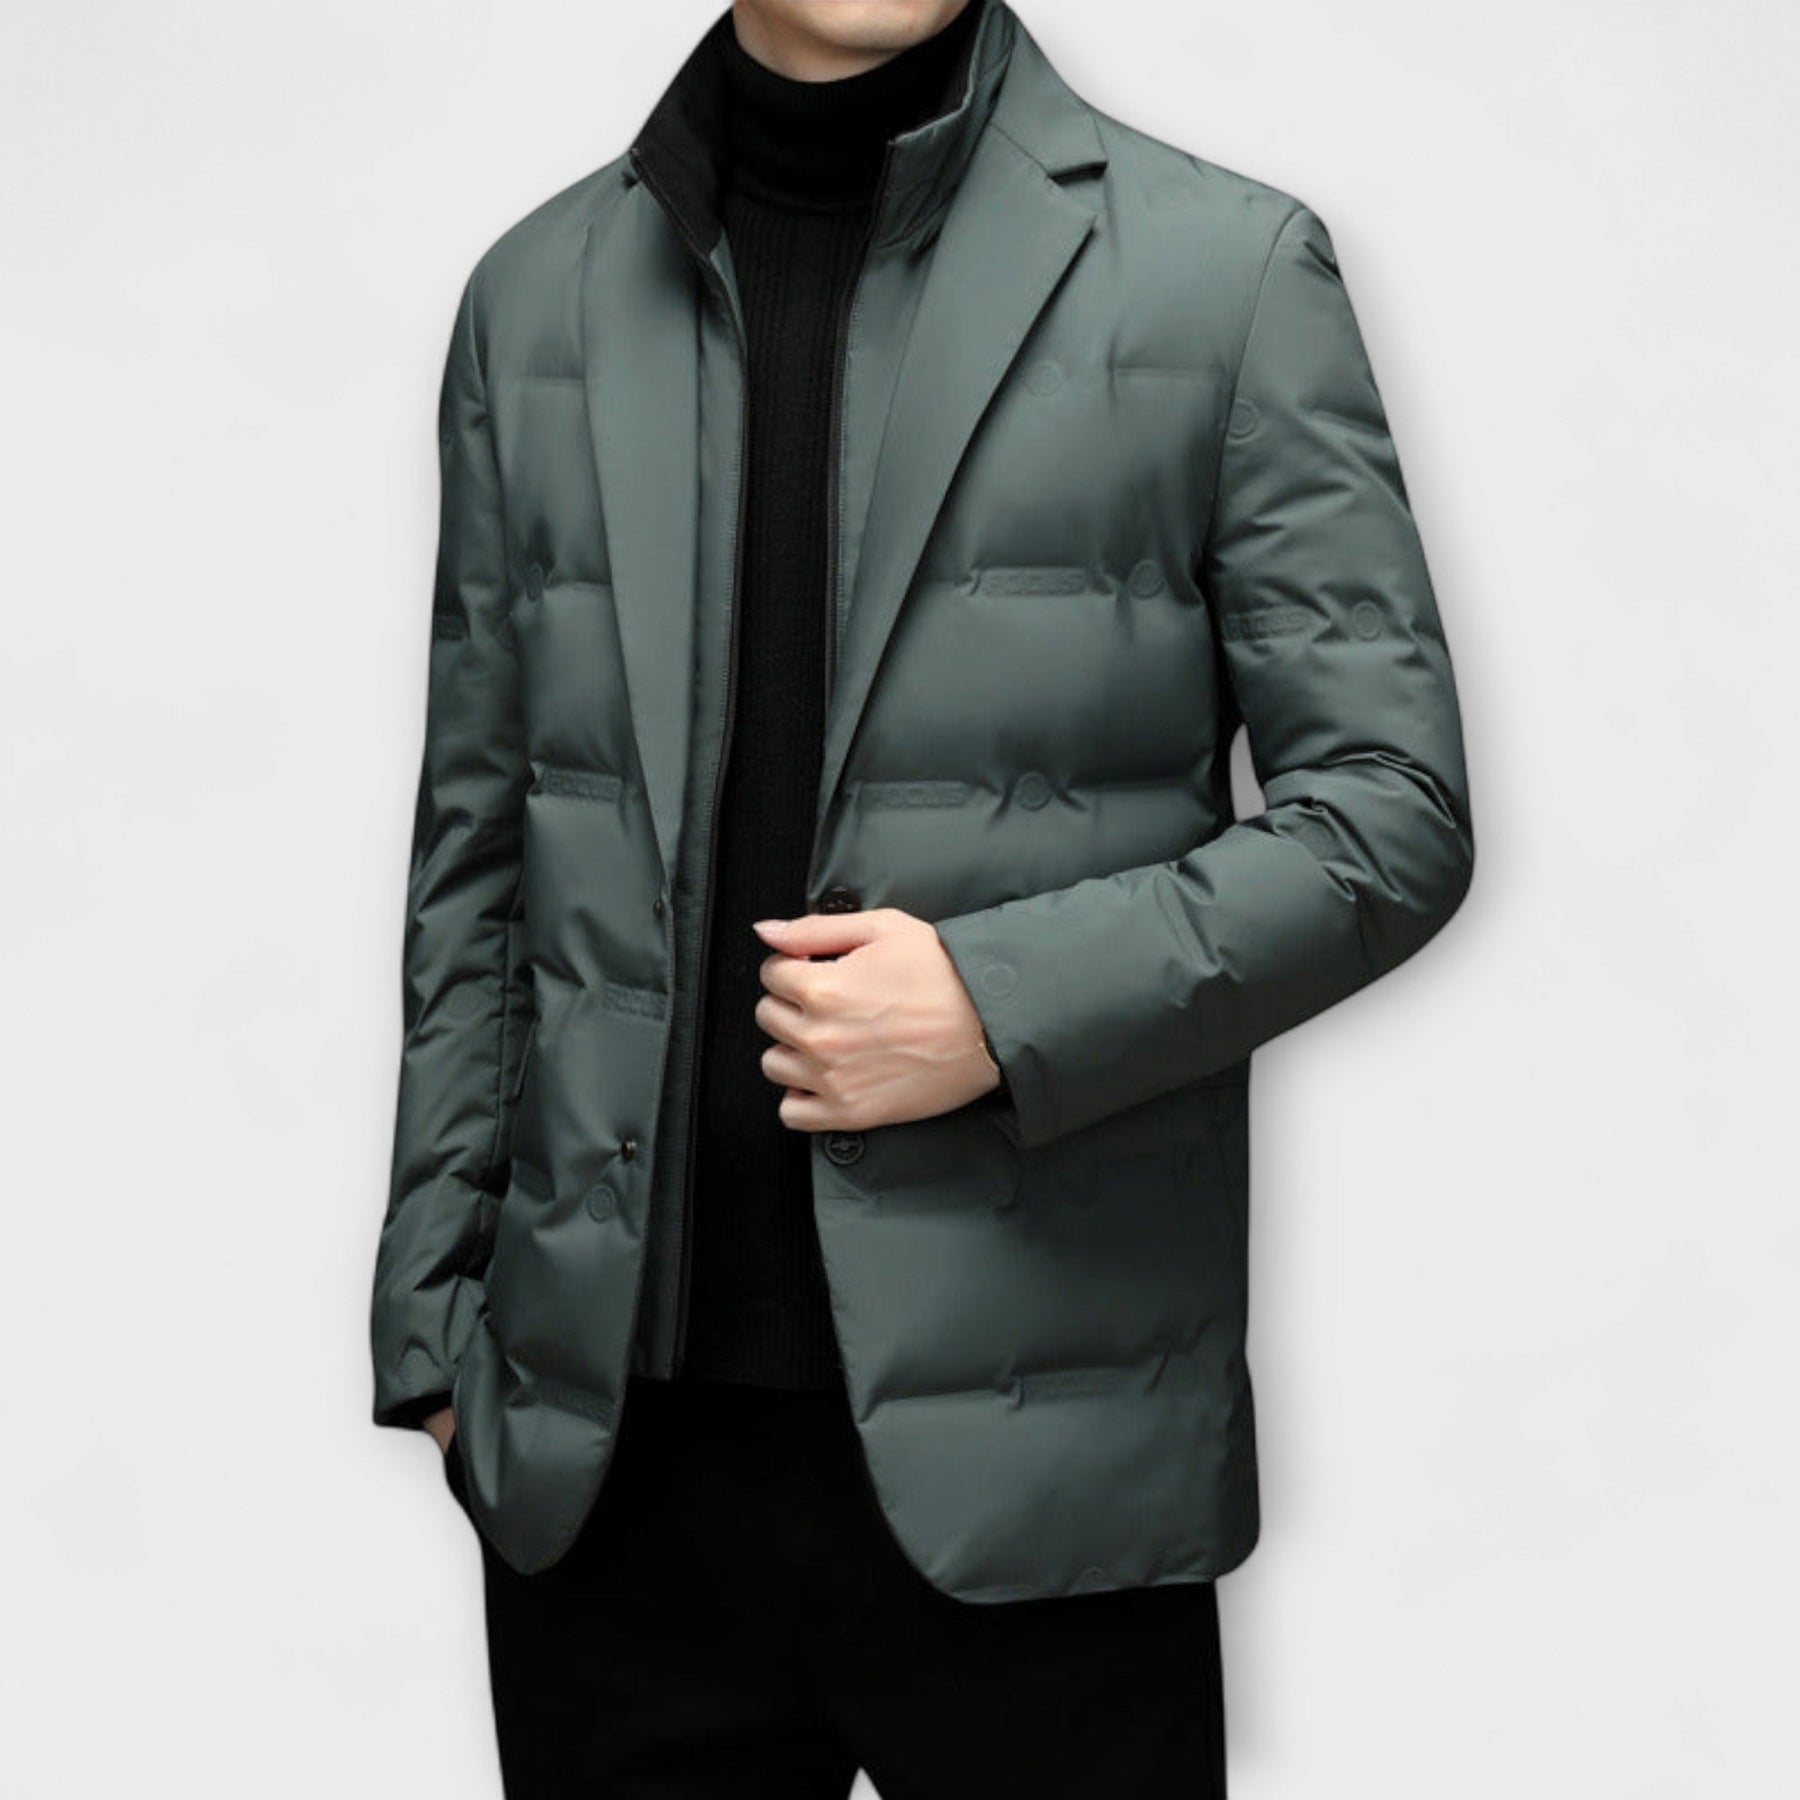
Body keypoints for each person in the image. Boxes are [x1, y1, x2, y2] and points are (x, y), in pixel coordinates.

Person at [367, 1, 1475, 1793]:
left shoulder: (1227, 273)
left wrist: (996, 1005)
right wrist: (434, 1323)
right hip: (614, 1486)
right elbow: (483, 845)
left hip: (1050, 1469)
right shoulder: (535, 298)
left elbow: (1389, 816)